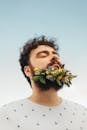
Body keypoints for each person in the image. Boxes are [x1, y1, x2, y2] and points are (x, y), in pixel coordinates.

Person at [0, 36, 87, 130]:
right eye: (43, 55)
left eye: (56, 55)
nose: (54, 57)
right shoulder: (6, 115)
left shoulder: (83, 114)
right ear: (28, 71)